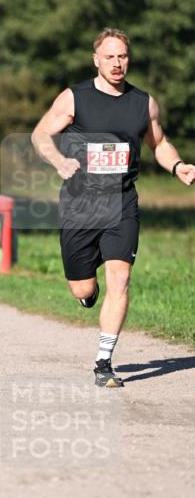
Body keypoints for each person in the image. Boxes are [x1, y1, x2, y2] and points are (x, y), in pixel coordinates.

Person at [31, 27, 194, 387]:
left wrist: (178, 165)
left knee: (120, 280)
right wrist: (59, 162)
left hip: (122, 202)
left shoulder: (143, 102)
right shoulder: (75, 98)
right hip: (80, 204)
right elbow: (40, 134)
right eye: (110, 57)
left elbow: (160, 142)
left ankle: (104, 361)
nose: (117, 63)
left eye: (122, 56)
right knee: (83, 289)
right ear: (96, 60)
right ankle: (88, 297)